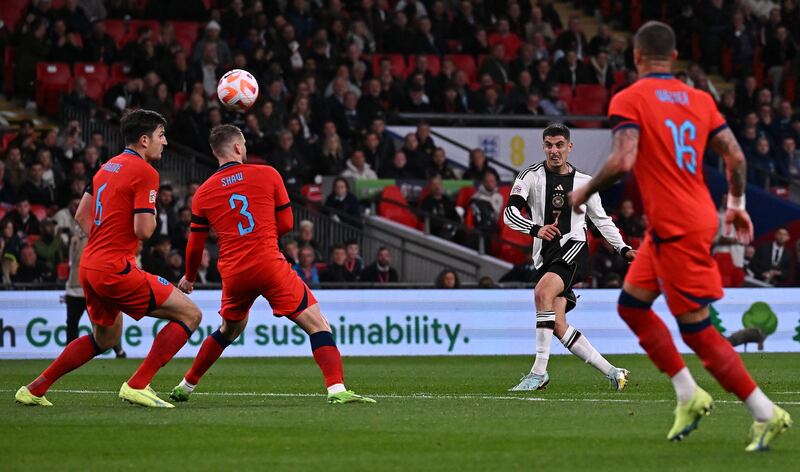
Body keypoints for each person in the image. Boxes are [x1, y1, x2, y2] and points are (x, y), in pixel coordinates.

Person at [568, 21, 791, 451]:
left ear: (635, 57)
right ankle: (689, 395)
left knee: (698, 332)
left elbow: (624, 157)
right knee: (632, 306)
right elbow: (737, 158)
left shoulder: (630, 98)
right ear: (674, 58)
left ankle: (767, 412)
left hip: (677, 227)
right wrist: (738, 206)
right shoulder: (700, 99)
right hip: (688, 219)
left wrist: (585, 189)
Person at [171, 124, 374, 405]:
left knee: (228, 330)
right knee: (318, 325)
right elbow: (288, 224)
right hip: (268, 262)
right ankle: (337, 389)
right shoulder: (267, 174)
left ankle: (186, 385)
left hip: (233, 271)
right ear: (239, 148)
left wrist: (190, 278)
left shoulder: (203, 193)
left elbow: (195, 245)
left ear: (215, 152)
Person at [16, 110, 203, 408]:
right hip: (115, 268)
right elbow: (144, 230)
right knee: (191, 314)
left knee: (104, 338)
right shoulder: (146, 172)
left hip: (90, 266)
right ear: (144, 140)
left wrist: (106, 241)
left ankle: (35, 388)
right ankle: (138, 384)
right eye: (160, 135)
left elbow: (81, 214)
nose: (165, 142)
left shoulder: (107, 166)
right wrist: (145, 224)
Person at [503, 123, 633, 393]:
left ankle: (538, 373)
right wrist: (536, 229)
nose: (554, 151)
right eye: (549, 145)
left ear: (569, 147)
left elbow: (601, 220)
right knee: (558, 324)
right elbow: (509, 214)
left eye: (559, 145)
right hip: (545, 257)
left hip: (573, 247)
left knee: (541, 293)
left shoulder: (585, 182)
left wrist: (622, 248)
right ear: (543, 147)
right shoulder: (529, 176)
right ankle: (613, 371)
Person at [63, 209, 126, 358]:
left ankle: (118, 350)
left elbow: (71, 260)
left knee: (91, 323)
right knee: (96, 322)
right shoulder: (97, 235)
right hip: (84, 285)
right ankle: (118, 351)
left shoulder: (80, 236)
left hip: (82, 285)